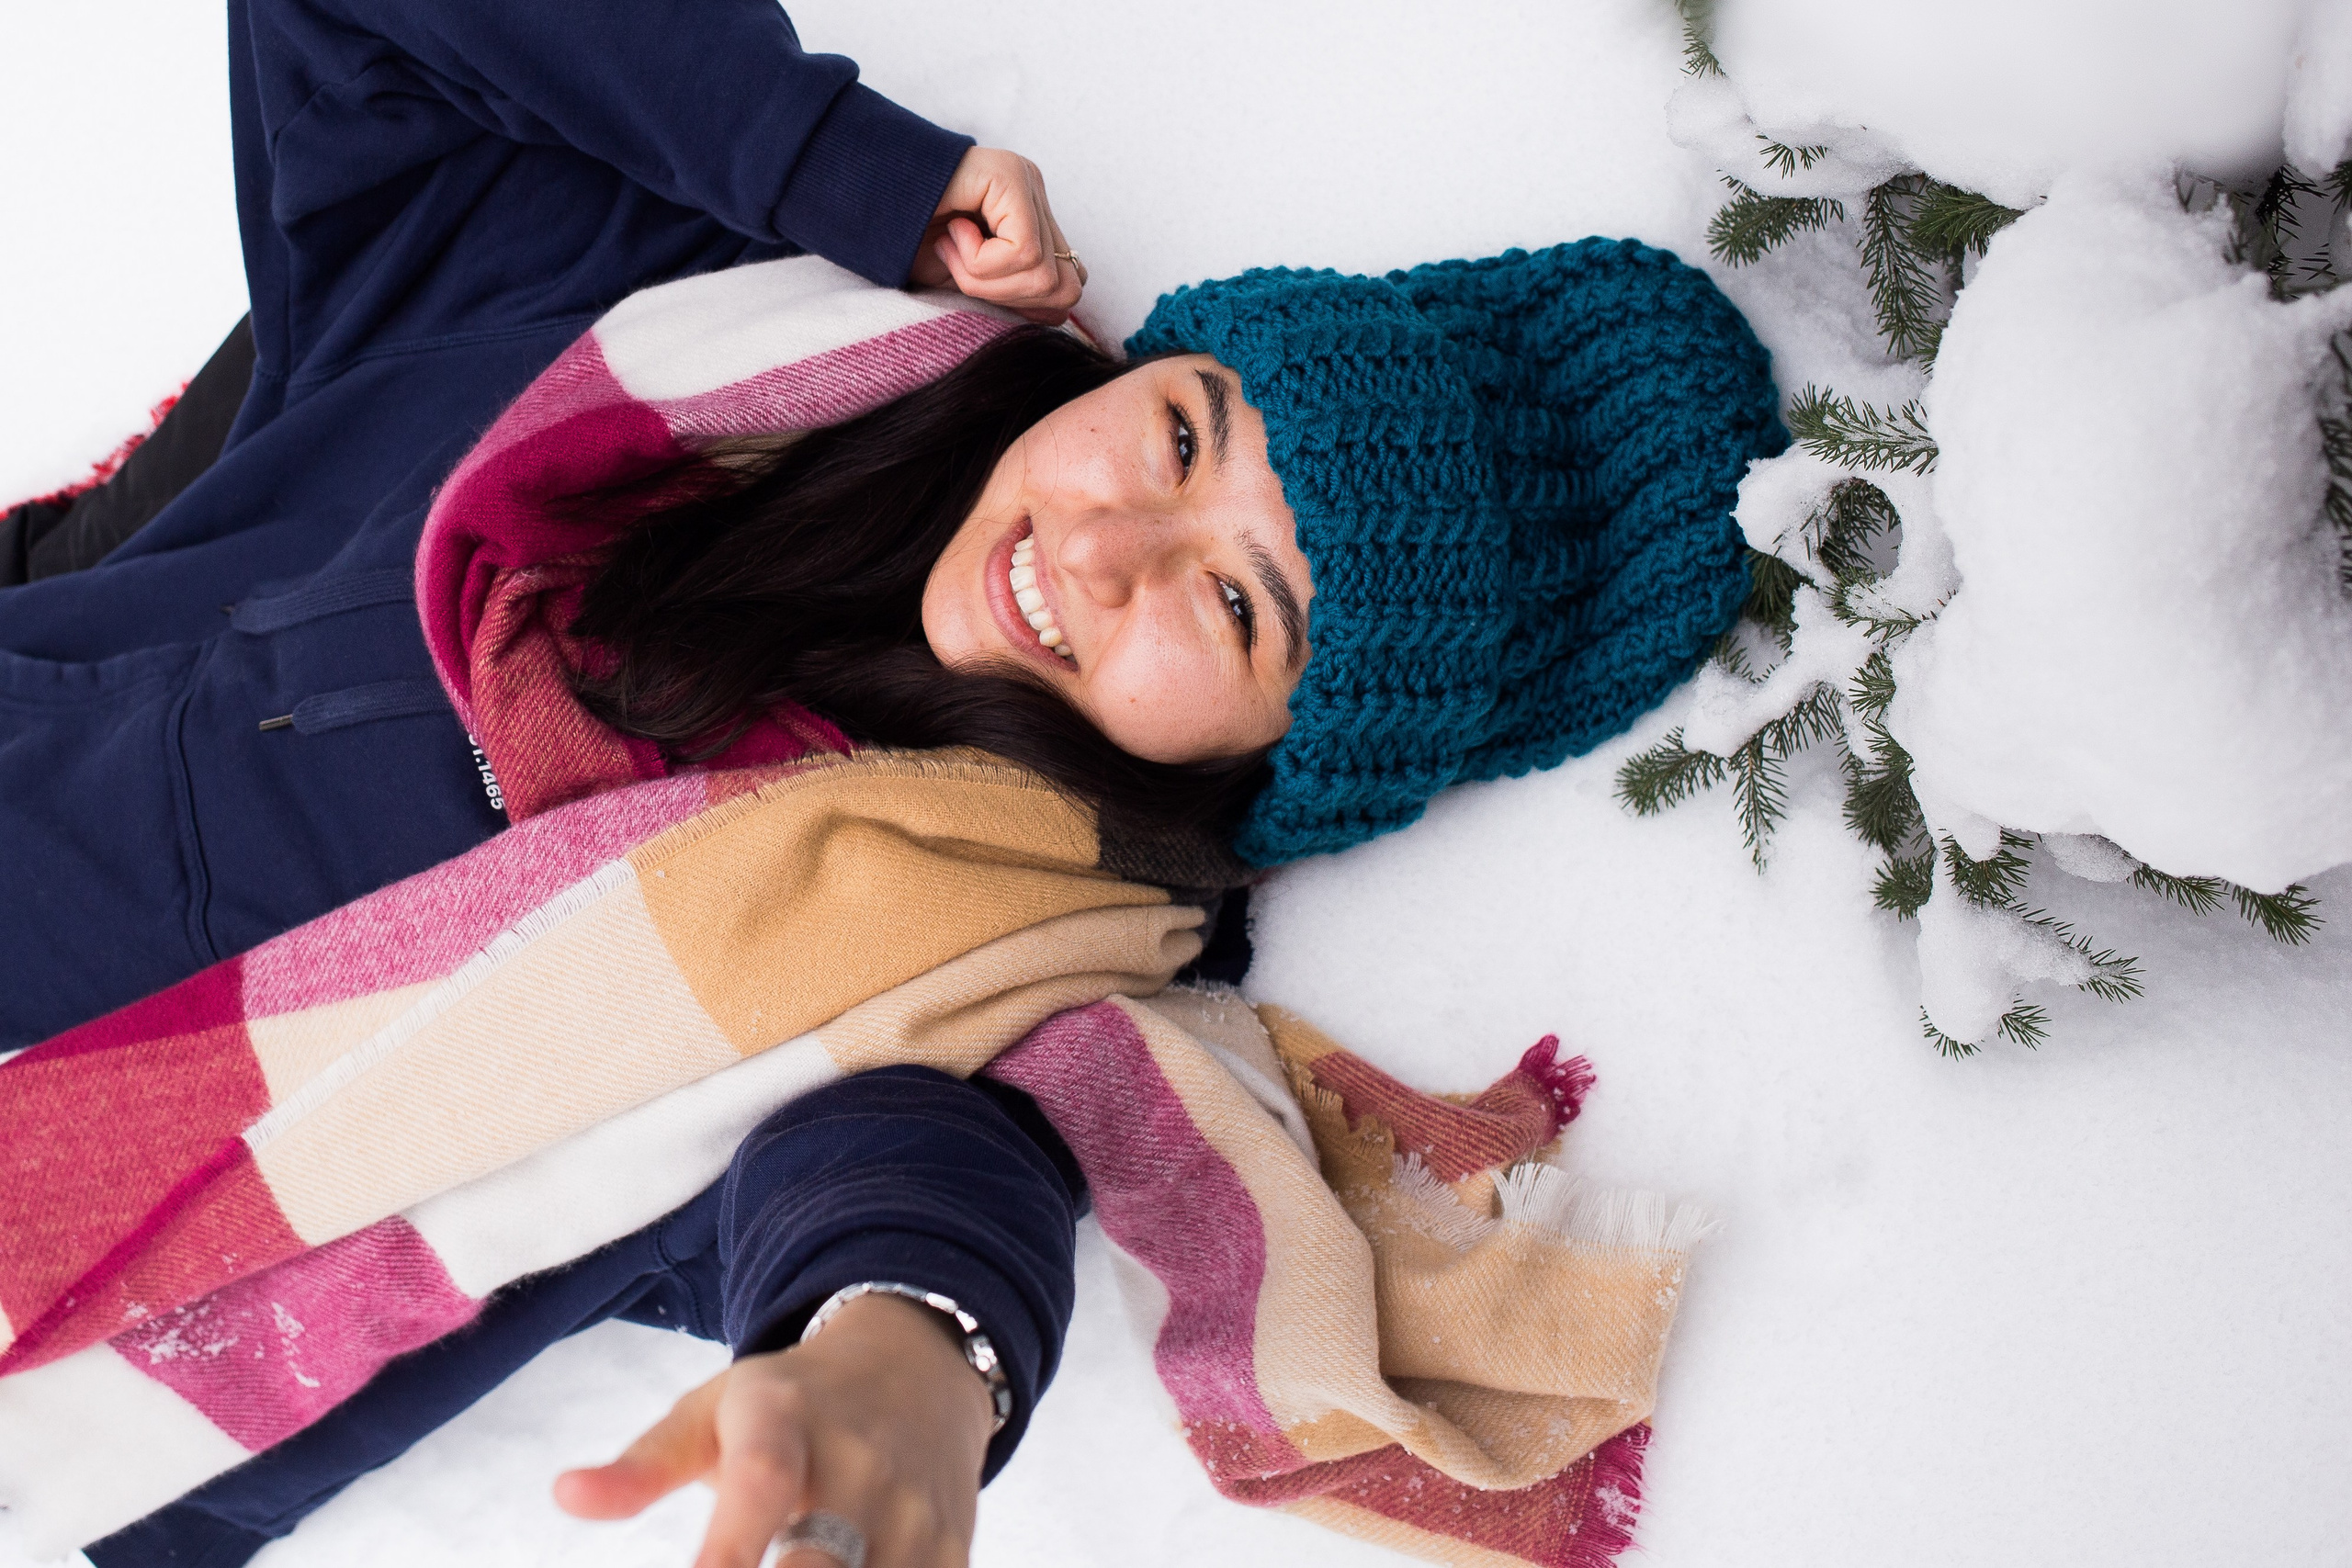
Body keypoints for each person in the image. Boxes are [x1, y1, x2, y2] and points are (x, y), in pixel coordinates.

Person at [0, 3, 1783, 1565]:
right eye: (1180, 434)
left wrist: (902, 1364)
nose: (1102, 549)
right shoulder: (673, 325)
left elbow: (926, 1173)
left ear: (1270, 758)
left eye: (1235, 604)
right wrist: (829, 158)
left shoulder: (974, 971)